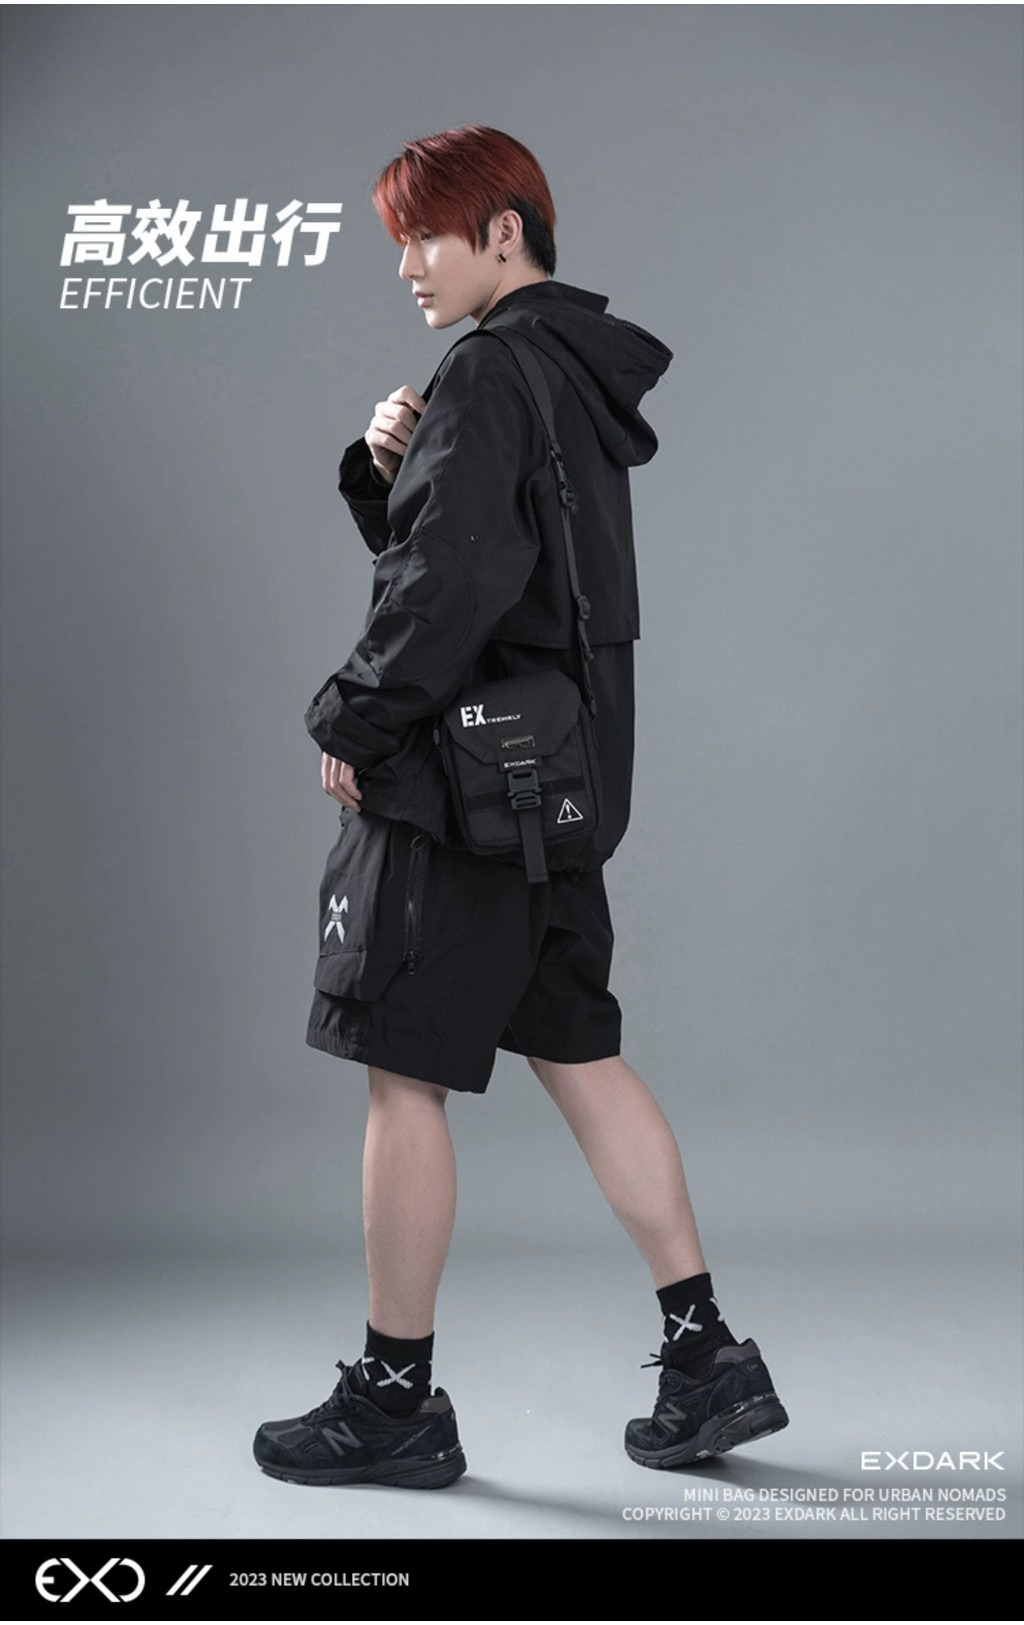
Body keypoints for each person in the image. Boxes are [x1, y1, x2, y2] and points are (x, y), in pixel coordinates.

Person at [253, 125, 788, 1489]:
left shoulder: (490, 369)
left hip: (461, 791)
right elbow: (516, 574)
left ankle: (394, 1399)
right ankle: (709, 1356)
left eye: (424, 237)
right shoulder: (567, 371)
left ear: (503, 230)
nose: (407, 268)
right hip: (557, 780)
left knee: (402, 1074)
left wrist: (354, 718)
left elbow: (452, 585)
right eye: (397, 245)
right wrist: (390, 478)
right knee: (580, 1051)